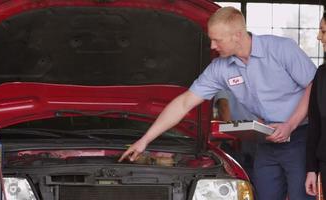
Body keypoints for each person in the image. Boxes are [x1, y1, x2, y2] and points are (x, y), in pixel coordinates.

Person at [119, 6, 316, 200]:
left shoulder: (281, 48)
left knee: (301, 195)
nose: (212, 46)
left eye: (217, 40)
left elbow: (314, 86)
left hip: (301, 138)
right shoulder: (220, 68)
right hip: (265, 141)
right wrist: (145, 140)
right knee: (263, 195)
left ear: (237, 35)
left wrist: (290, 124)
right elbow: (184, 103)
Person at [213, 90, 257, 181]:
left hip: (237, 137)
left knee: (237, 175)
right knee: (256, 173)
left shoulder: (223, 80)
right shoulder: (254, 79)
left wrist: (229, 132)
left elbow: (223, 106)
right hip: (257, 133)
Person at [305, 11, 326, 197]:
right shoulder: (321, 74)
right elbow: (315, 126)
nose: (319, 37)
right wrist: (311, 169)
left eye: (323, 31)